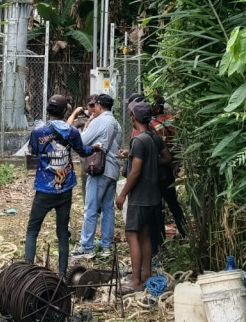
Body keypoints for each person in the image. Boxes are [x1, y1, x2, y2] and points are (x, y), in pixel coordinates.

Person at [24, 95, 98, 276]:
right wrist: (95, 148)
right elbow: (82, 150)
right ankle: (63, 275)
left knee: (33, 229)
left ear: (48, 111)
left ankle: (26, 272)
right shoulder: (72, 132)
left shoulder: (38, 132)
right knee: (62, 233)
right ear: (65, 111)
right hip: (65, 188)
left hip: (44, 188)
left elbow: (33, 151)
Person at [115, 100, 170, 294]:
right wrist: (152, 164)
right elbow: (167, 158)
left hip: (139, 197)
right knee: (146, 235)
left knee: (132, 235)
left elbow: (135, 172)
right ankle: (146, 274)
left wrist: (122, 195)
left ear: (134, 118)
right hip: (154, 196)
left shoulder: (138, 141)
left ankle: (136, 281)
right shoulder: (154, 137)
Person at [71, 93, 122, 259]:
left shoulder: (100, 121)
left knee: (91, 208)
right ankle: (106, 245)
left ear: (99, 106)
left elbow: (82, 141)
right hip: (113, 170)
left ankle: (87, 247)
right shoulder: (116, 124)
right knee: (108, 208)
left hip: (99, 169)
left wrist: (87, 127)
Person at [151, 94, 188, 241]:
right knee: (173, 202)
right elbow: (179, 144)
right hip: (171, 166)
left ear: (157, 107)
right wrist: (177, 164)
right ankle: (184, 231)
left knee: (158, 205)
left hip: (160, 166)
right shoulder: (172, 121)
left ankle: (160, 238)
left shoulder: (153, 125)